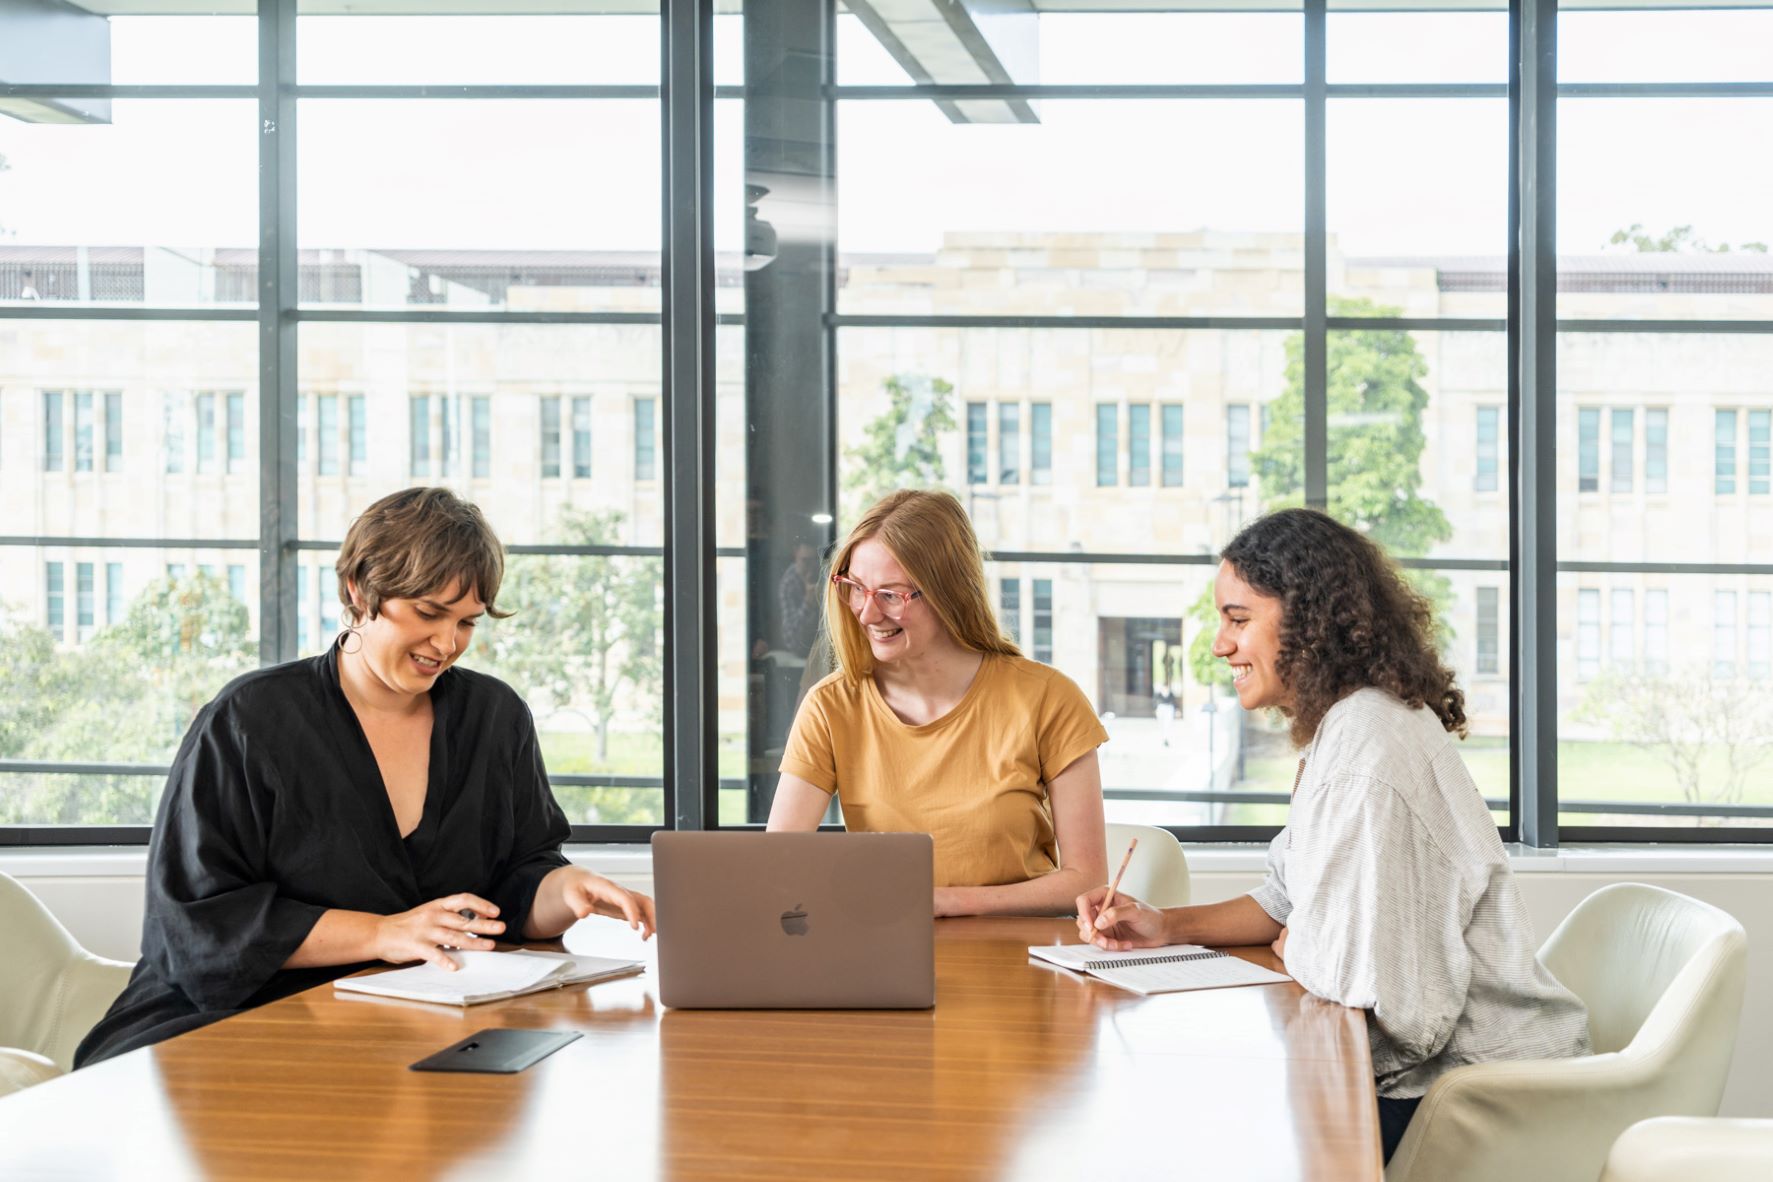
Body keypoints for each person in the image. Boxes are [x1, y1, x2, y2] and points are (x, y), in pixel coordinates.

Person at [1075, 508, 1588, 1164]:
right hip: (1433, 1079)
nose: (1218, 644)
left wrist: (1306, 945)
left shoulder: (1368, 748)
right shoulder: (1343, 729)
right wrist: (1164, 926)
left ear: (1307, 618)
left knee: (1196, 1136)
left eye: (1237, 619)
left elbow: (1380, 996)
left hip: (1478, 1097)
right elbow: (1287, 904)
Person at [76, 487, 655, 1067]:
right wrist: (384, 933)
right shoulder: (249, 721)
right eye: (428, 613)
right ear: (360, 589)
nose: (447, 644)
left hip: (412, 1021)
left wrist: (566, 891)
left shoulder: (495, 718)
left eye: (467, 623)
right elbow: (194, 926)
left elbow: (517, 880)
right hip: (224, 1024)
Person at [767, 489, 1109, 916]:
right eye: (855, 588)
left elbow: (1087, 881)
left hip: (1019, 959)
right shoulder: (831, 706)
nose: (867, 614)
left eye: (890, 595)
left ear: (948, 593)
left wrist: (949, 901)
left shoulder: (1048, 699)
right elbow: (777, 865)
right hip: (882, 957)